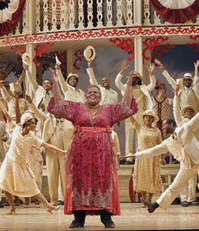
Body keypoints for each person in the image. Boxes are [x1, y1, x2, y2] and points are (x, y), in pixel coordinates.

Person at [48, 68, 138, 228]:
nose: (93, 94)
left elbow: (126, 108)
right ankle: (79, 218)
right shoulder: (76, 108)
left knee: (103, 182)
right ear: (85, 95)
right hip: (80, 154)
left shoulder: (109, 110)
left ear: (101, 96)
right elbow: (59, 105)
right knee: (79, 182)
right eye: (90, 92)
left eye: (96, 92)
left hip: (102, 155)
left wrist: (129, 86)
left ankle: (106, 218)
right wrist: (55, 83)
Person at [122, 89, 199, 215]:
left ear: (171, 125)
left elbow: (198, 118)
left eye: (165, 125)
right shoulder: (168, 143)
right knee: (175, 186)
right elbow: (152, 151)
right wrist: (134, 155)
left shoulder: (184, 129)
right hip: (187, 165)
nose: (163, 127)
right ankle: (154, 205)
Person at [0, 111, 63, 214]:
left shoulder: (32, 137)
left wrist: (62, 151)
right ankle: (12, 207)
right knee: (5, 184)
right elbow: (6, 114)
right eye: (32, 123)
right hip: (10, 161)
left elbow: (46, 145)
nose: (34, 125)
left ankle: (47, 205)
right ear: (26, 123)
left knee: (33, 187)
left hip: (21, 164)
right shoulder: (16, 129)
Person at [26, 94, 67, 207]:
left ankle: (66, 199)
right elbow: (38, 114)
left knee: (65, 177)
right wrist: (31, 103)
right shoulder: (48, 118)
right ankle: (53, 200)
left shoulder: (68, 119)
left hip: (64, 152)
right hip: (51, 151)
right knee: (52, 177)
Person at [115, 61, 156, 163]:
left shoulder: (142, 87)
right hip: (130, 113)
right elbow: (117, 83)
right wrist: (122, 71)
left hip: (140, 113)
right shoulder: (126, 87)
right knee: (129, 134)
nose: (130, 79)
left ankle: (139, 155)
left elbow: (152, 85)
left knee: (140, 134)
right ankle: (129, 157)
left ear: (137, 79)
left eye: (132, 78)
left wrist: (151, 74)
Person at [129, 110, 164, 205]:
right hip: (142, 156)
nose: (148, 119)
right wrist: (128, 111)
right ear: (144, 118)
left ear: (153, 119)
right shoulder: (140, 127)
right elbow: (131, 119)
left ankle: (150, 200)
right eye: (146, 117)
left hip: (153, 156)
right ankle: (144, 199)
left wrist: (163, 157)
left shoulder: (157, 131)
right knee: (142, 177)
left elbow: (161, 145)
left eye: (150, 117)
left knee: (152, 177)